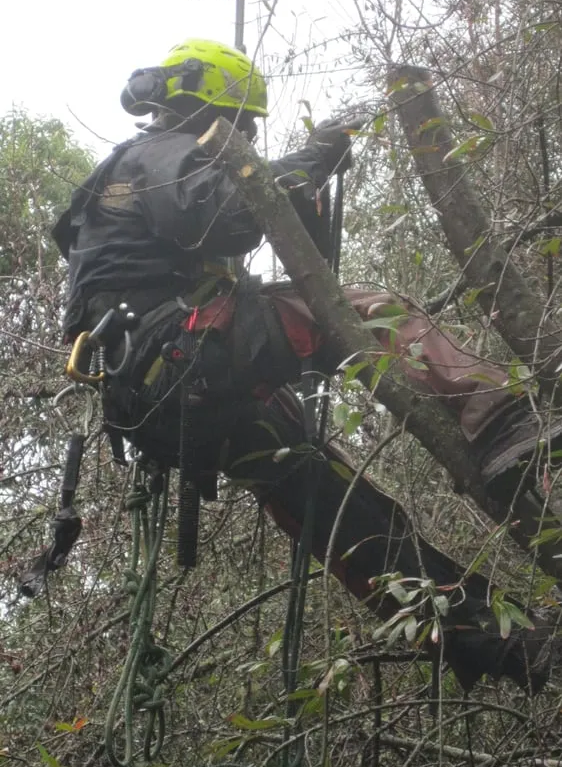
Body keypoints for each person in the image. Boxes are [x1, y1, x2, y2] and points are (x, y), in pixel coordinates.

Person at [52, 38, 558, 692]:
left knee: (337, 507)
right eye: (243, 122)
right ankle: (501, 420)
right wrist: (308, 160)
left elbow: (290, 252)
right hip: (182, 355)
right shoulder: (160, 152)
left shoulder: (128, 180)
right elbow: (233, 216)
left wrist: (305, 182)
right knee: (373, 311)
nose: (247, 137)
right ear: (213, 106)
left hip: (163, 398)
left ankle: (492, 638)